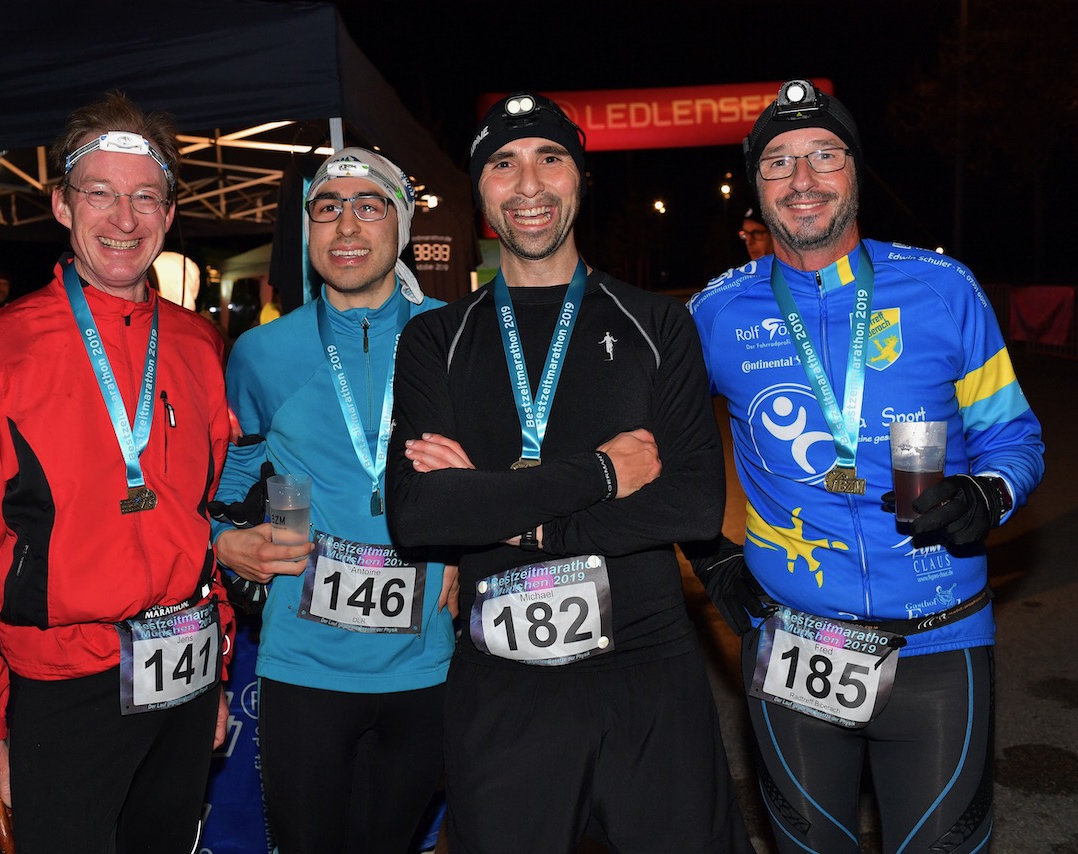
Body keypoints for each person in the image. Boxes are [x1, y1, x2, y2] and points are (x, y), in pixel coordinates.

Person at [385, 93, 751, 853]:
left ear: (580, 180)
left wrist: (502, 507)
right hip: (503, 682)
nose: (528, 184)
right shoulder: (435, 339)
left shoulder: (656, 324)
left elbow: (690, 504)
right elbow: (419, 515)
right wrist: (603, 472)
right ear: (479, 193)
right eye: (503, 164)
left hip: (648, 677)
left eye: (550, 159)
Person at [686, 79, 1044, 853]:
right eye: (778, 163)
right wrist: (709, 555)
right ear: (756, 190)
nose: (803, 179)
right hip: (794, 644)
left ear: (855, 172)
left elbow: (1014, 435)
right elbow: (657, 448)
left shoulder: (944, 289)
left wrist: (990, 490)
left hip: (941, 643)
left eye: (823, 155)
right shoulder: (715, 313)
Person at [0, 91, 236, 853]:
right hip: (63, 687)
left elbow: (205, 521)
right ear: (61, 205)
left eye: (144, 197)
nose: (123, 219)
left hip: (184, 675)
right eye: (100, 193)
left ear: (167, 212)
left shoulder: (196, 345)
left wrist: (216, 667)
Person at [210, 147, 456, 853]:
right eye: (327, 208)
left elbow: (500, 471)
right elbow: (227, 488)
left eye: (369, 206)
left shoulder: (453, 334)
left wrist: (473, 553)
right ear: (309, 230)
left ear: (401, 228)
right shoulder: (262, 353)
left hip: (425, 663)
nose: (346, 227)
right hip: (305, 665)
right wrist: (224, 545)